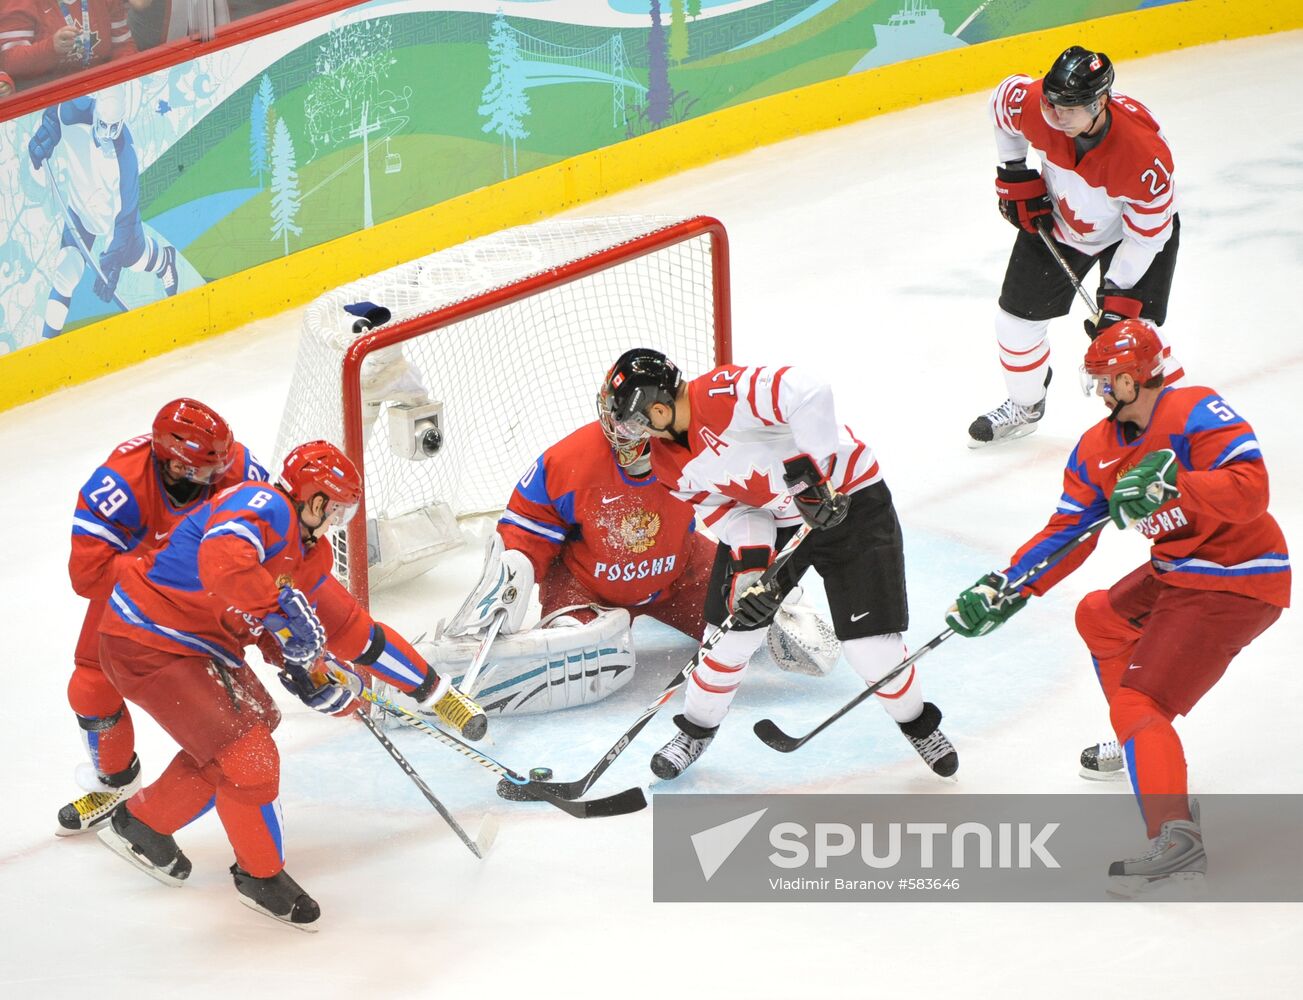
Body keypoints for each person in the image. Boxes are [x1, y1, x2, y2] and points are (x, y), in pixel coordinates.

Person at [946, 321, 1289, 895]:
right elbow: (1070, 532)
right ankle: (1141, 744)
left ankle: (1175, 838)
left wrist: (1179, 483)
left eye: (1106, 381)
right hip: (1179, 571)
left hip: (1238, 574)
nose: (1099, 391)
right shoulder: (1098, 448)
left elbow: (1252, 491)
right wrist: (1007, 586)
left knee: (1138, 700)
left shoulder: (1196, 411)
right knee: (1098, 615)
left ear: (1132, 381)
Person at [94, 440, 487, 929]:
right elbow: (223, 567)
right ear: (316, 500)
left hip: (200, 649)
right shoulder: (261, 505)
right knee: (249, 756)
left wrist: (430, 692)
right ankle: (260, 876)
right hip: (148, 639)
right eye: (337, 510)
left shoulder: (308, 555)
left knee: (249, 732)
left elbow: (357, 636)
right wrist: (281, 616)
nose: (338, 522)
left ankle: (145, 826)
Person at [600, 348, 958, 781]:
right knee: (727, 638)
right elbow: (730, 512)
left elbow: (809, 392)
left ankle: (917, 723)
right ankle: (696, 730)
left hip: (851, 501)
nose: (631, 431)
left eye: (635, 419)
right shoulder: (666, 466)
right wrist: (753, 568)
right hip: (777, 521)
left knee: (871, 649)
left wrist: (817, 475)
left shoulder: (723, 391)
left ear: (658, 406)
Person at [440, 414, 840, 715]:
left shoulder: (700, 450)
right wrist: (516, 570)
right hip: (587, 586)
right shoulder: (569, 459)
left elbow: (751, 499)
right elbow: (529, 523)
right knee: (582, 652)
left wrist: (764, 560)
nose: (626, 438)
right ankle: (556, 641)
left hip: (680, 571)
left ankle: (785, 608)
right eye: (619, 423)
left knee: (750, 624)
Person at [59, 398, 266, 836]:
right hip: (137, 591)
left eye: (217, 469)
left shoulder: (239, 467)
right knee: (91, 686)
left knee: (235, 727)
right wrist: (165, 566)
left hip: (211, 591)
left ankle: (213, 781)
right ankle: (116, 782)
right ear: (171, 465)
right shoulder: (119, 485)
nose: (215, 482)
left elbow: (277, 537)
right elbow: (86, 575)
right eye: (202, 474)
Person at [969, 45, 1182, 447]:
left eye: (1068, 109)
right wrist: (1012, 168)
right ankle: (1025, 406)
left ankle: (1160, 423)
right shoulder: (1039, 106)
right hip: (1064, 225)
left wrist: (1117, 294)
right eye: (1051, 105)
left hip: (1131, 237)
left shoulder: (1143, 155)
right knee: (1014, 324)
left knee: (1137, 335)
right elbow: (1002, 103)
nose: (1054, 116)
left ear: (1100, 102)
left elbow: (1148, 235)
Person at [28, 84, 179, 338]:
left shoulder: (126, 157)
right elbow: (54, 111)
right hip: (80, 210)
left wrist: (113, 262)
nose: (108, 134)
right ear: (95, 111)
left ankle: (164, 260)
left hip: (113, 221)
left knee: (136, 259)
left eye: (115, 127)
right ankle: (45, 345)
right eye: (103, 125)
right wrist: (48, 133)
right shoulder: (72, 110)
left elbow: (125, 218)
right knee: (66, 271)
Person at [0, 0, 136, 89]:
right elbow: (10, 62)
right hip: (45, 97)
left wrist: (124, 82)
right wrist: (51, 48)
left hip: (103, 89)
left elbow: (123, 47)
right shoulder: (18, 3)